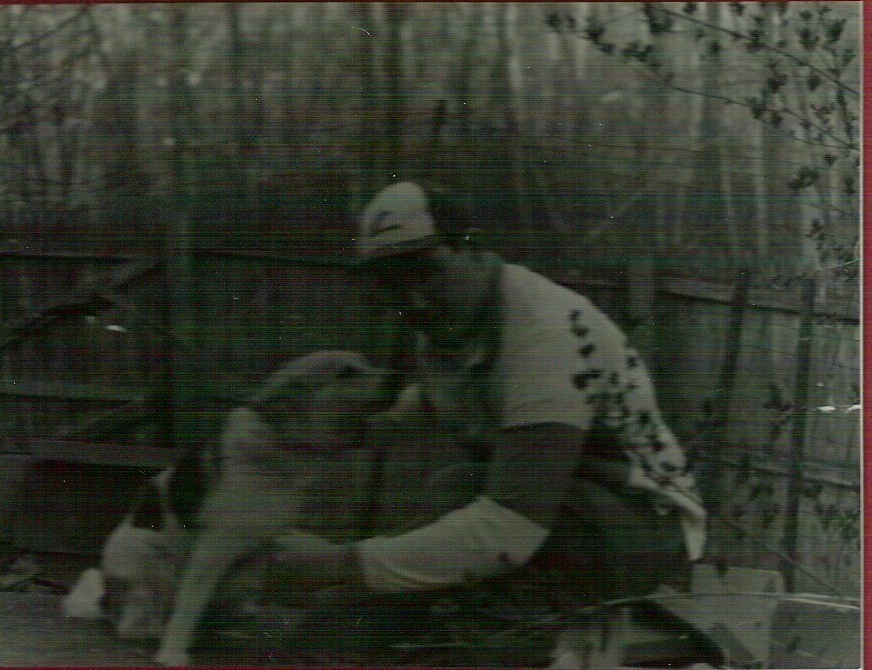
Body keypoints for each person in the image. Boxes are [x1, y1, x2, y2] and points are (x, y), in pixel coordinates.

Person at [266, 181, 707, 637]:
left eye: (426, 273)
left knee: (438, 619)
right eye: (392, 283)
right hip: (563, 508)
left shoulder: (546, 335)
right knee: (444, 500)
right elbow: (453, 396)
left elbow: (509, 532)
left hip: (637, 524)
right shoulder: (457, 319)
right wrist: (364, 428)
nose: (414, 300)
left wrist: (340, 563)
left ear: (472, 247)